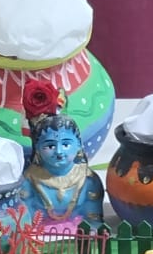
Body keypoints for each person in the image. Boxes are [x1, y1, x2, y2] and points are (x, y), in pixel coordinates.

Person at [19, 81, 104, 230]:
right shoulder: (29, 180)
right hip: (40, 237)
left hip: (79, 236)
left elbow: (94, 221)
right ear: (37, 148)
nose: (59, 152)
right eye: (50, 146)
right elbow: (25, 221)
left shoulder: (88, 180)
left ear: (78, 145)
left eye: (66, 145)